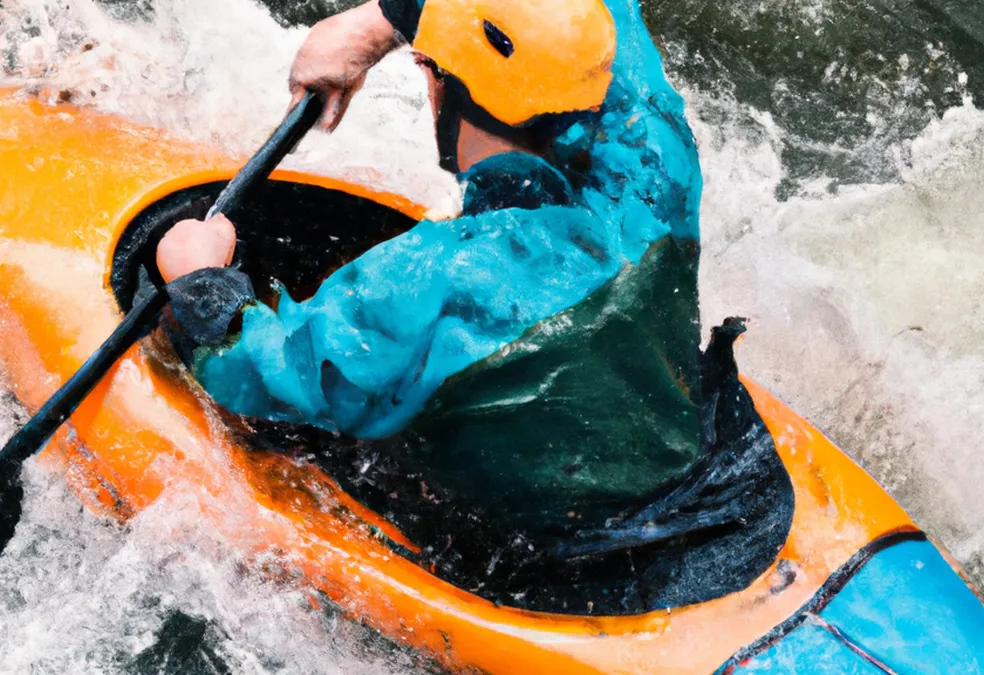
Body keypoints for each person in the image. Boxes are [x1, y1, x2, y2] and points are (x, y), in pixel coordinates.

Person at [155, 0, 793, 614]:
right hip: (714, 485)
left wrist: (202, 279)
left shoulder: (427, 282)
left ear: (438, 90)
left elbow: (257, 367)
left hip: (567, 568)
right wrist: (387, 18)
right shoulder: (657, 166)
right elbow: (610, 18)